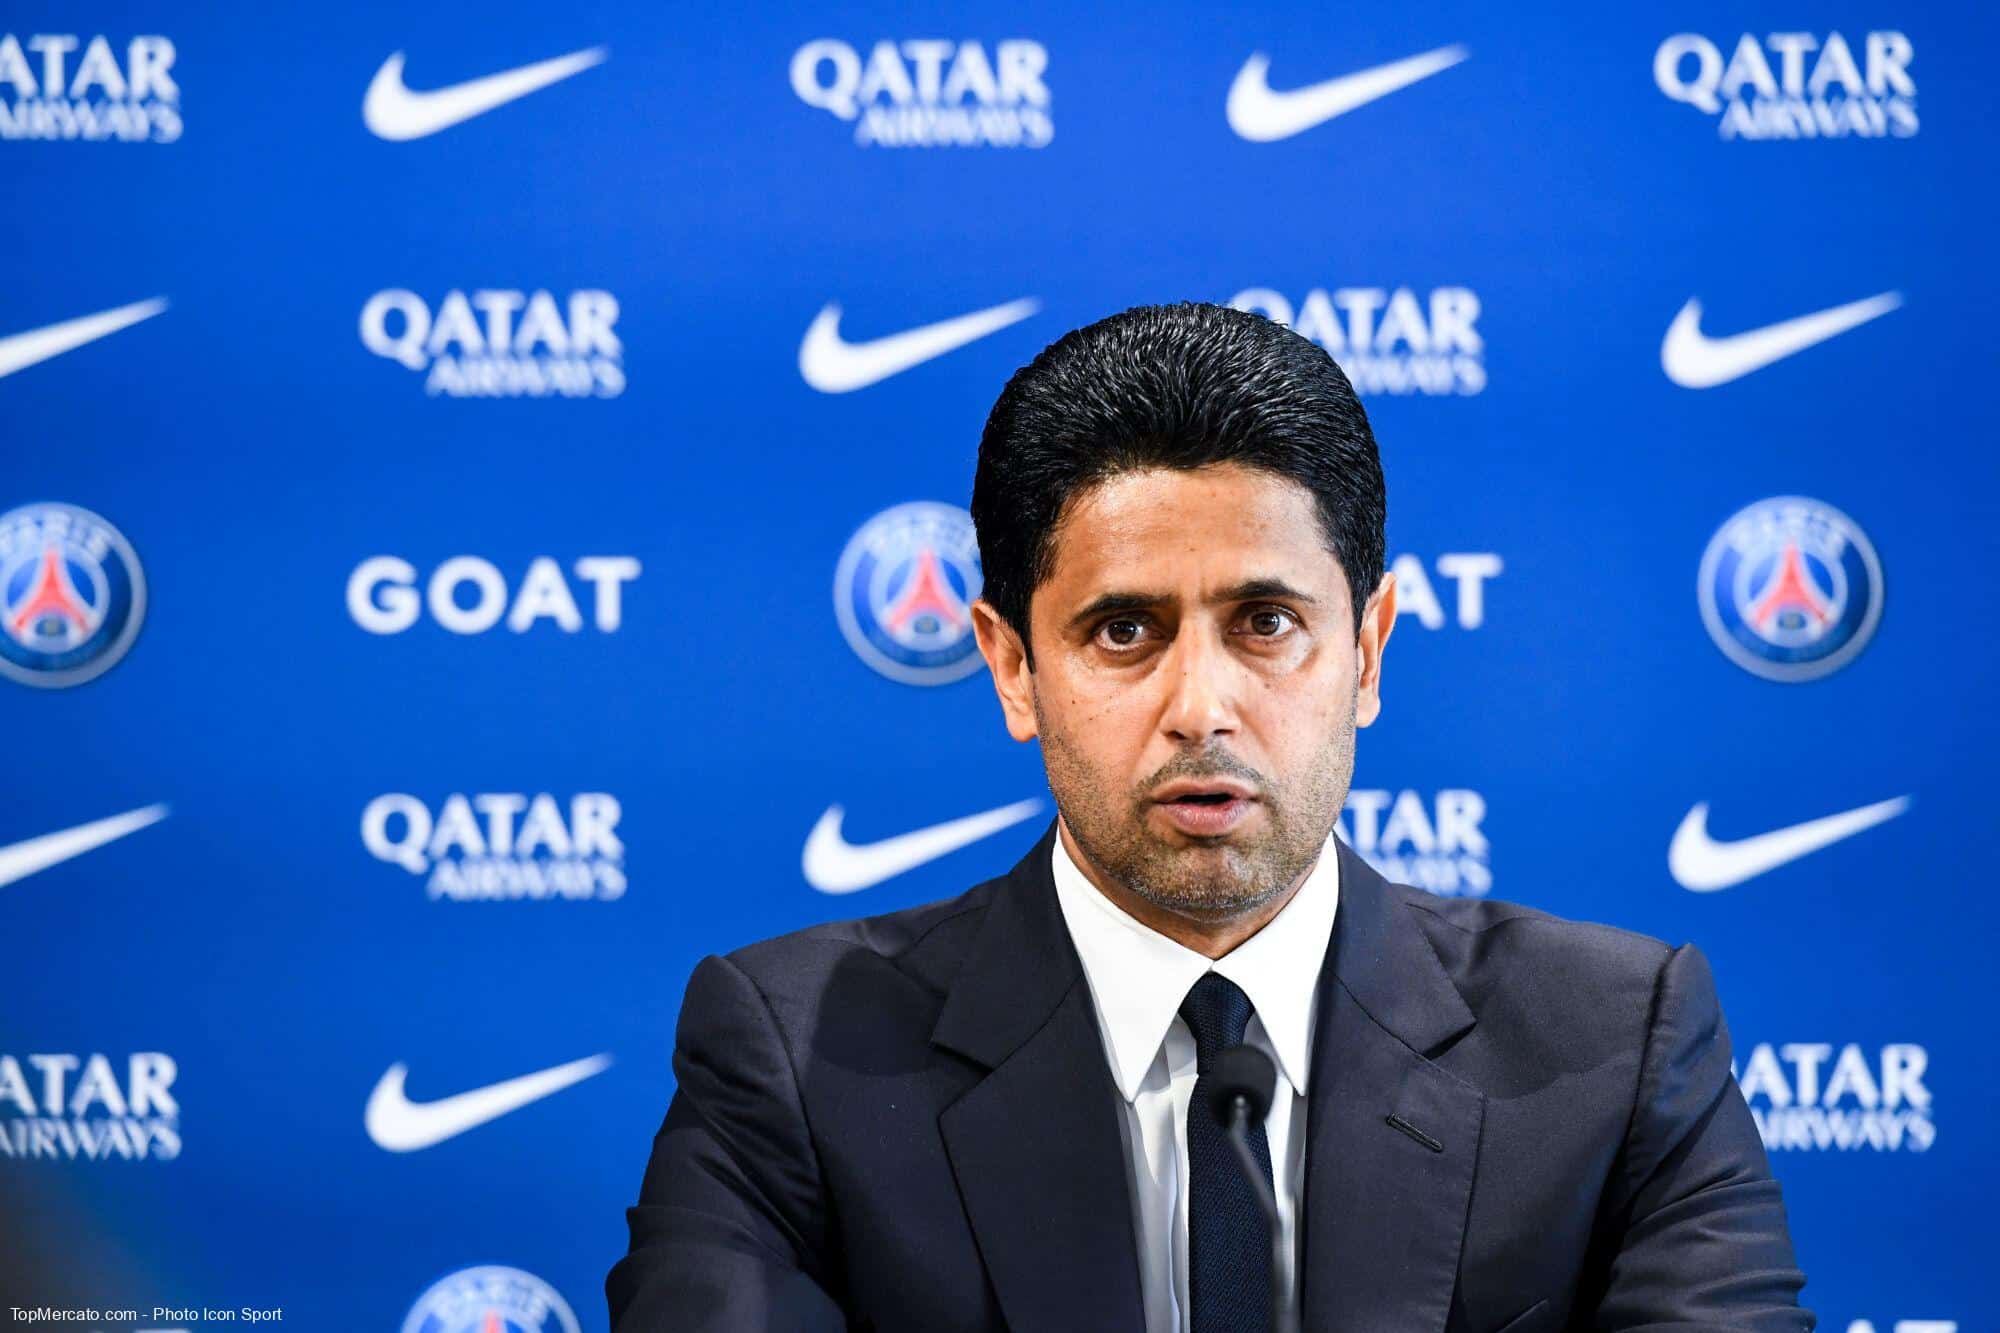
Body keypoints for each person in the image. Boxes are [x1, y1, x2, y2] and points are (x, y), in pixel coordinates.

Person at [606, 302, 1813, 1332]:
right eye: (1122, 630)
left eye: (1265, 623)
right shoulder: (794, 1054)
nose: (1200, 708)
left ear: (1369, 650)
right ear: (1011, 667)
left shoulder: (1618, 1042)